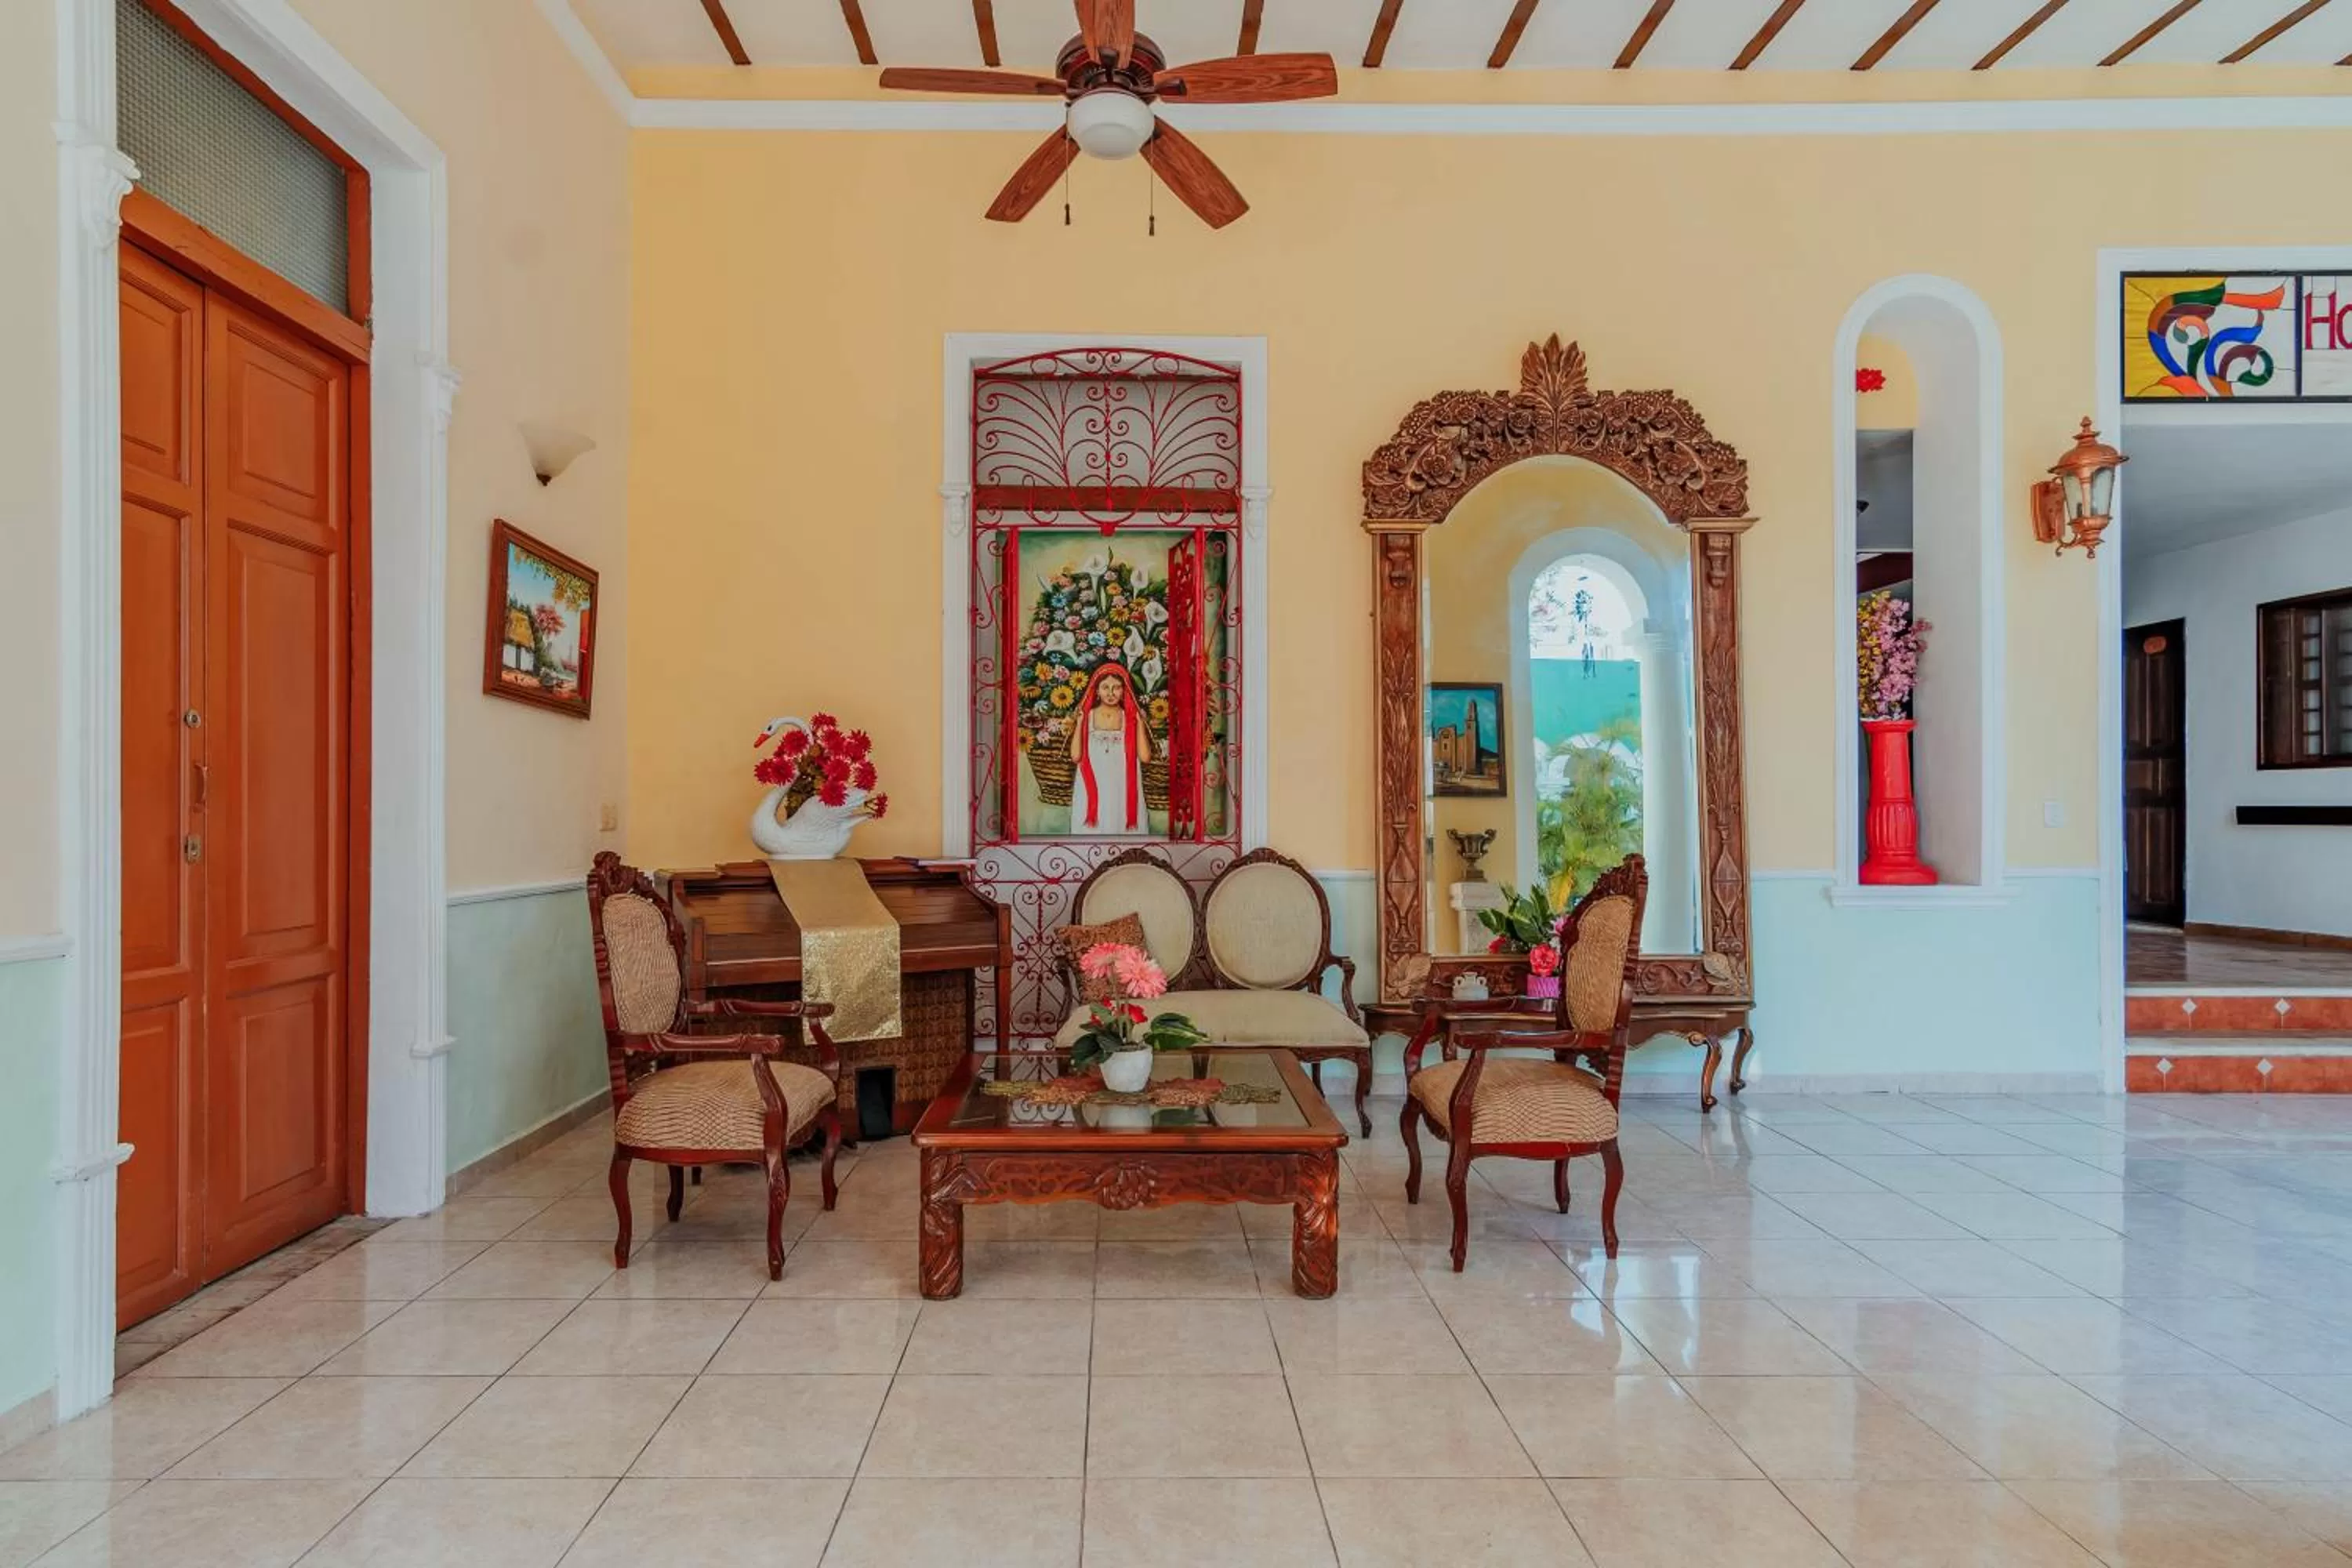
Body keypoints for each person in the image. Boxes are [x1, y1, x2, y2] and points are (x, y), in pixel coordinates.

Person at [1068, 663, 1150, 833]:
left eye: (1117, 688)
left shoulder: (1130, 719)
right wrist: (1079, 723)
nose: (1111, 693)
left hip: (1122, 786)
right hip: (1092, 785)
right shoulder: (1088, 717)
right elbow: (1076, 757)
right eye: (1105, 687)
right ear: (1096, 690)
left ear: (1124, 690)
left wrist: (1140, 723)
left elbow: (1145, 757)